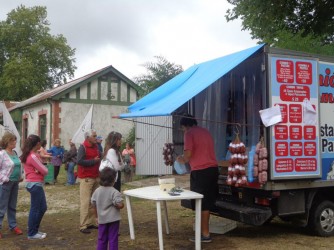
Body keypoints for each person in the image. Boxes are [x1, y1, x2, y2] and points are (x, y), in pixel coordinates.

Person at [176, 114, 219, 243]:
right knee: (207, 203)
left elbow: (188, 155)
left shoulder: (189, 134)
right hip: (213, 170)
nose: (183, 130)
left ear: (185, 125)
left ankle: (205, 234)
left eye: (183, 128)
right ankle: (204, 232)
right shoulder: (205, 132)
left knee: (201, 203)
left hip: (201, 172)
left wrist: (181, 159)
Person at [21, 134, 48, 240]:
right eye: (40, 143)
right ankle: (32, 233)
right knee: (36, 209)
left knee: (42, 207)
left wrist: (39, 170)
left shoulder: (31, 154)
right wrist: (40, 170)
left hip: (34, 183)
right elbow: (45, 170)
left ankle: (34, 229)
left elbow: (40, 169)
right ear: (37, 144)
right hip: (35, 184)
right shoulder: (32, 156)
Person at [91, 167, 124, 250]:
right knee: (113, 239)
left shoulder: (97, 191)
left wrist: (96, 217)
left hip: (102, 219)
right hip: (113, 220)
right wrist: (120, 205)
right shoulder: (114, 192)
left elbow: (93, 204)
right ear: (113, 180)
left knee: (101, 239)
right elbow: (120, 204)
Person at [77, 129, 101, 234]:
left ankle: (91, 222)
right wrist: (93, 161)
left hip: (95, 176)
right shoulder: (83, 147)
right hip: (86, 178)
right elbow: (79, 161)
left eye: (96, 135)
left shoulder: (96, 146)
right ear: (88, 138)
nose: (96, 137)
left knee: (93, 201)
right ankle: (83, 225)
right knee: (85, 202)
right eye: (94, 136)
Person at [0, 132, 23, 239]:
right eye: (13, 140)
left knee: (12, 206)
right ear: (8, 142)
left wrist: (20, 176)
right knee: (1, 207)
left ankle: (13, 225)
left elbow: (18, 165)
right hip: (5, 183)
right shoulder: (2, 154)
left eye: (15, 140)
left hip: (15, 183)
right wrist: (5, 179)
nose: (15, 142)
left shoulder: (14, 153)